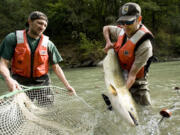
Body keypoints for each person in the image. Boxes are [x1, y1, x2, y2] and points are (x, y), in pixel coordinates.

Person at [0, 11, 76, 105]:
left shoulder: (48, 44)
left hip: (42, 81)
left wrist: (67, 85)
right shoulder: (12, 38)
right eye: (39, 23)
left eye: (44, 25)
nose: (42, 27)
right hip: (20, 81)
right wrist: (8, 79)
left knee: (48, 110)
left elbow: (56, 67)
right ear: (30, 22)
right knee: (21, 111)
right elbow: (3, 63)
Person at [103, 2, 154, 105]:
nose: (125, 26)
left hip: (137, 83)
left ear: (139, 19)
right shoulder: (121, 31)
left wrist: (121, 94)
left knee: (146, 110)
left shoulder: (145, 46)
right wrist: (108, 42)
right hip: (121, 77)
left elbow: (132, 76)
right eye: (122, 22)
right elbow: (106, 28)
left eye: (129, 22)